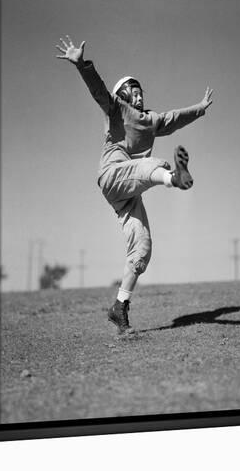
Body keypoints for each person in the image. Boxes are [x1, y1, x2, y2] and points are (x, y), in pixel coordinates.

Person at [56, 35, 213, 334]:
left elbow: (176, 118)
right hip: (114, 174)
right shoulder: (116, 109)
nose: (140, 95)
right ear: (125, 94)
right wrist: (82, 65)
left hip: (129, 190)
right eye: (134, 91)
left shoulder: (152, 120)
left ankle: (119, 307)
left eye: (142, 91)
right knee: (153, 166)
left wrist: (200, 108)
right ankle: (172, 178)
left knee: (142, 248)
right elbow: (98, 90)